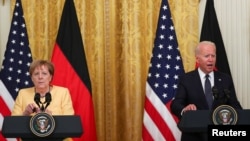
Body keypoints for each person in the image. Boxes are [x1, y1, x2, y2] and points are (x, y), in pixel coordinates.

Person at [170, 41, 242, 141]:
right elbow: (176, 104)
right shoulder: (186, 79)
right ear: (197, 59)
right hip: (194, 135)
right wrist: (185, 109)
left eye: (213, 56)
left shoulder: (225, 79)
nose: (211, 59)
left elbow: (235, 105)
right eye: (207, 56)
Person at [11, 59, 74, 141]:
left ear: (50, 77)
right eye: (36, 74)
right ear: (32, 78)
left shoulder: (63, 92)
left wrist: (51, 119)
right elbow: (13, 125)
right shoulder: (23, 93)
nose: (40, 77)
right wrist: (25, 114)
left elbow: (69, 122)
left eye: (44, 73)